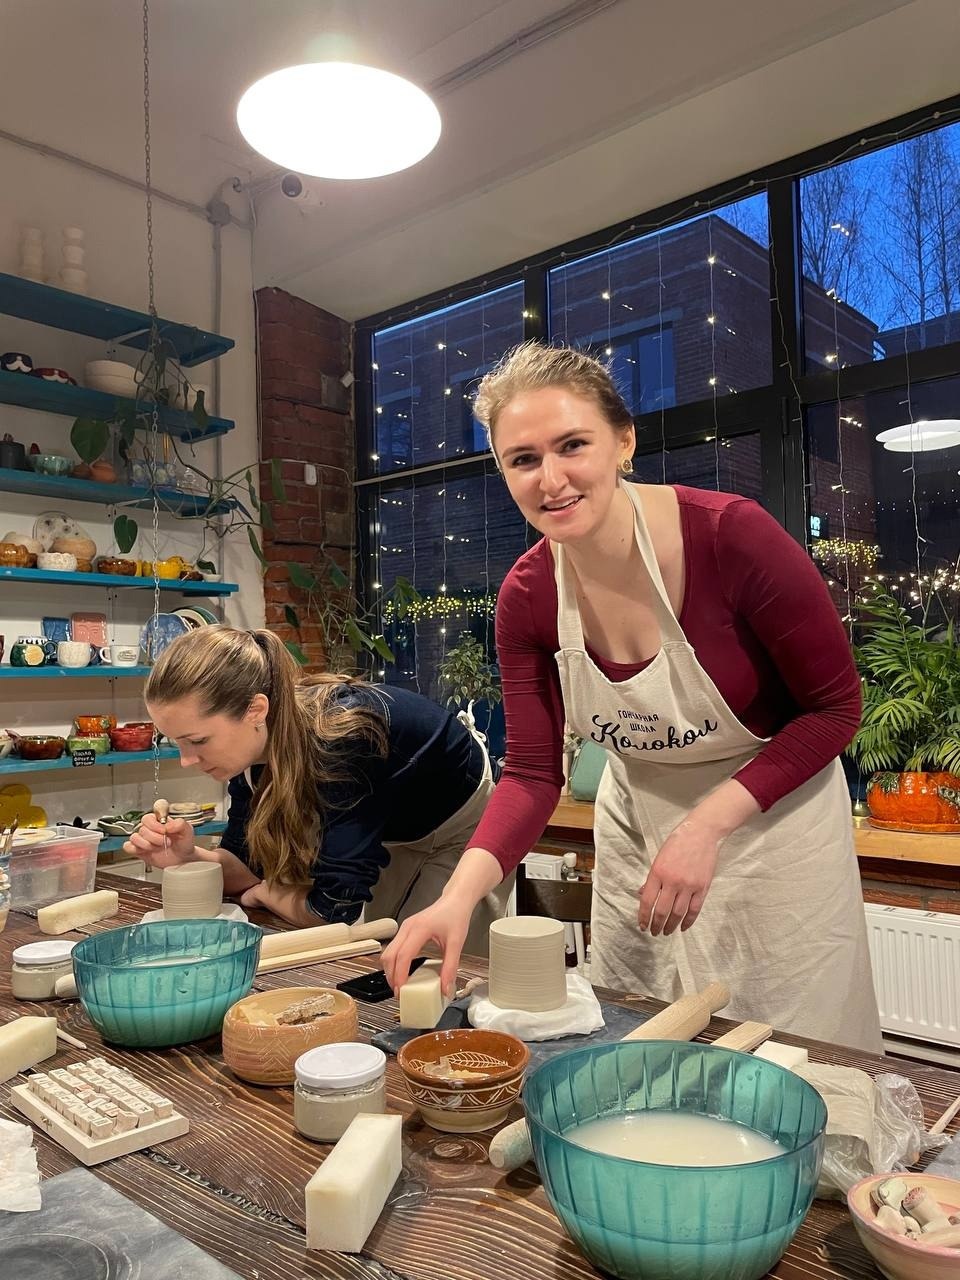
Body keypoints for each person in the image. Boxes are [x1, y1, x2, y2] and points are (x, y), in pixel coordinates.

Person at [384, 342, 882, 1052]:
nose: (551, 479)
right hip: (640, 819)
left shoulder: (732, 538)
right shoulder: (527, 597)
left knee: (789, 1044)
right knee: (643, 1030)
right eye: (522, 459)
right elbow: (532, 774)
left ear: (623, 441)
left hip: (773, 820)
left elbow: (834, 709)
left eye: (572, 445)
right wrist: (456, 899)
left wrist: (705, 826)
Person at [124, 625, 509, 944]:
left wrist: (268, 891)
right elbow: (246, 868)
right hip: (396, 823)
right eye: (175, 742)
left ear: (255, 710)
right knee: (383, 954)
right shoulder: (252, 749)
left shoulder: (341, 739)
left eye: (197, 740)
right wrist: (189, 858)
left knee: (427, 962)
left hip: (465, 825)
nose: (186, 760)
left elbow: (334, 911)